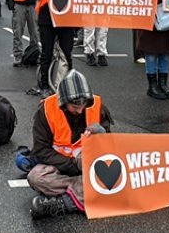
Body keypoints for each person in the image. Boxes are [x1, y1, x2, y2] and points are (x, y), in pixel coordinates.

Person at [27, 70, 114, 219]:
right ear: (63, 103)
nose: (80, 110)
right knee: (35, 177)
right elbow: (40, 151)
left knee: (111, 174)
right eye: (74, 106)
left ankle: (65, 202)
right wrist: (73, 165)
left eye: (84, 104)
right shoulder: (46, 110)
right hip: (60, 165)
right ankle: (83, 189)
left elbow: (110, 150)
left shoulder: (98, 106)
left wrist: (102, 135)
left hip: (88, 164)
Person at [27, 0, 75, 98]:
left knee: (67, 52)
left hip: (67, 15)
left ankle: (68, 82)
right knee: (47, 52)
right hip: (47, 16)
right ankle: (44, 85)